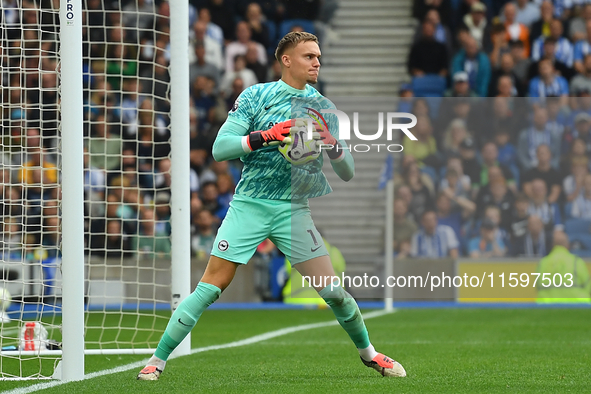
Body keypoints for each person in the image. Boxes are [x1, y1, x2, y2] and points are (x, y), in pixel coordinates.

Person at [137, 32, 406, 381]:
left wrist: (333, 145)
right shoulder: (256, 96)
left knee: (335, 294)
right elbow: (221, 148)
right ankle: (156, 361)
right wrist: (267, 135)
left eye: (319, 56)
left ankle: (370, 355)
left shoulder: (323, 108)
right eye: (309, 56)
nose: (317, 62)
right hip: (250, 205)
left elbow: (348, 172)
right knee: (208, 289)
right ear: (287, 60)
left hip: (293, 209)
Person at [536, 230, 591, 303]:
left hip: (548, 310)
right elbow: (588, 287)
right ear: (567, 245)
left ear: (553, 245)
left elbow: (538, 288)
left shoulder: (542, 263)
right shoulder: (576, 262)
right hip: (577, 308)